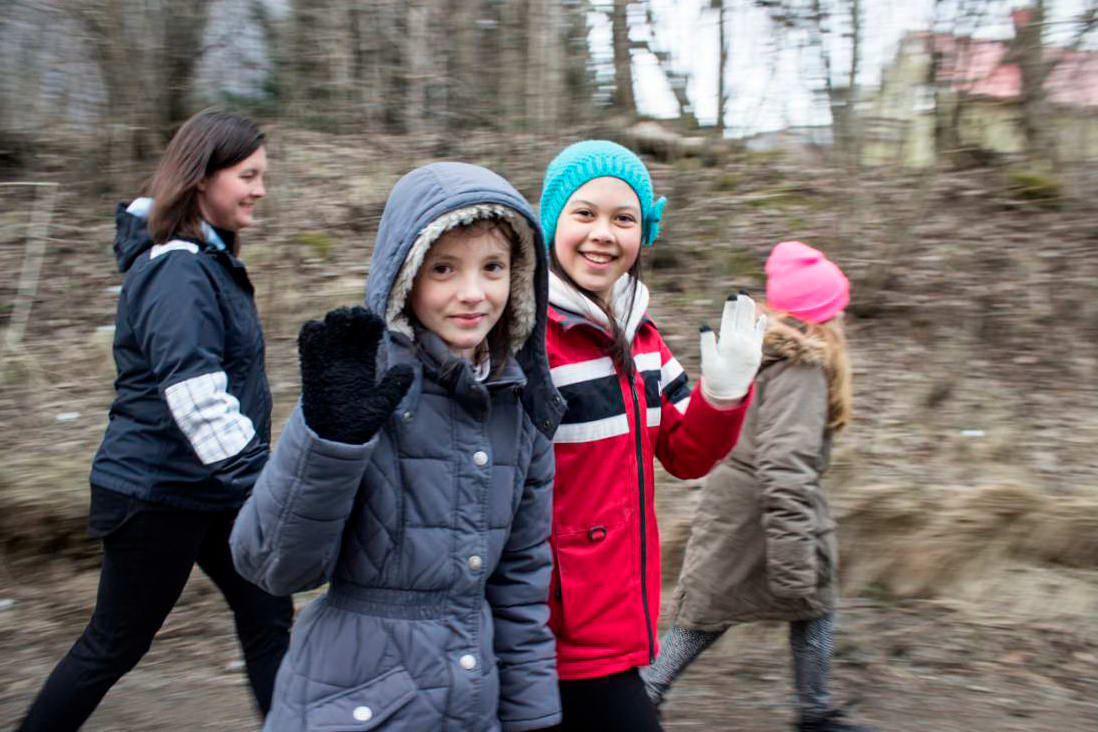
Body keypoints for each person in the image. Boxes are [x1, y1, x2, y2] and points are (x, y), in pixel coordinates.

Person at [230, 161, 567, 732]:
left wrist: (534, 720)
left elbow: (519, 592)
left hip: (471, 706)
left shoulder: (520, 407)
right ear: (406, 275)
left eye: (492, 268)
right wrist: (328, 442)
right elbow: (272, 566)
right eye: (444, 268)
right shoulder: (360, 387)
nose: (473, 294)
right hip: (353, 704)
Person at [18, 110, 293, 731]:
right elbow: (195, 395)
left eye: (262, 176)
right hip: (156, 493)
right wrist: (267, 484)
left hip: (211, 489)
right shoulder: (176, 268)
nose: (260, 190)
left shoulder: (206, 260)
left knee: (268, 618)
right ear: (201, 177)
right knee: (114, 644)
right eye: (248, 176)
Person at [536, 140, 765, 732]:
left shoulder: (642, 339)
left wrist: (724, 395)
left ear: (644, 234)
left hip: (621, 621)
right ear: (552, 221)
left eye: (624, 219)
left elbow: (687, 455)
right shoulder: (529, 340)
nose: (603, 234)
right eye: (584, 213)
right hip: (549, 631)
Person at [641, 241, 876, 732]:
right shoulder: (802, 368)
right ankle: (646, 693)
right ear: (822, 316)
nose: (843, 318)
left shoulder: (761, 350)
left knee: (800, 606)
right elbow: (786, 464)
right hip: (763, 513)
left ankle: (813, 710)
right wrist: (793, 558)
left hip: (741, 506)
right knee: (715, 613)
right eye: (837, 309)